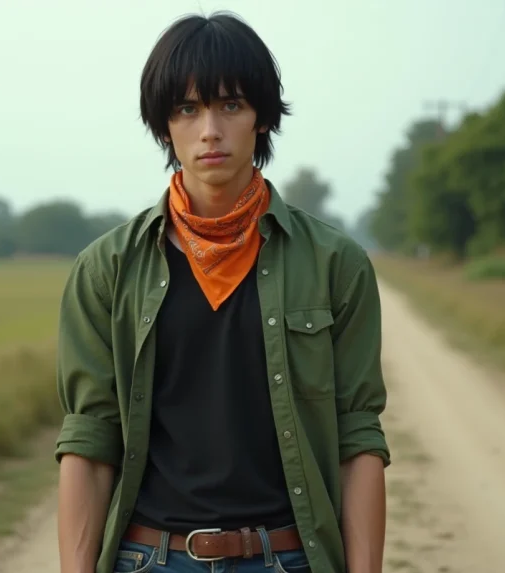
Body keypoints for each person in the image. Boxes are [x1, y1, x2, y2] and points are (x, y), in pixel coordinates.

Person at [54, 11, 390, 573]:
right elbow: (89, 443)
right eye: (187, 108)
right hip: (149, 558)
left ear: (261, 118)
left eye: (230, 104)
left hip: (287, 558)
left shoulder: (336, 263)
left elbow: (358, 439)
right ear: (164, 126)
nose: (210, 128)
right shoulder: (106, 269)